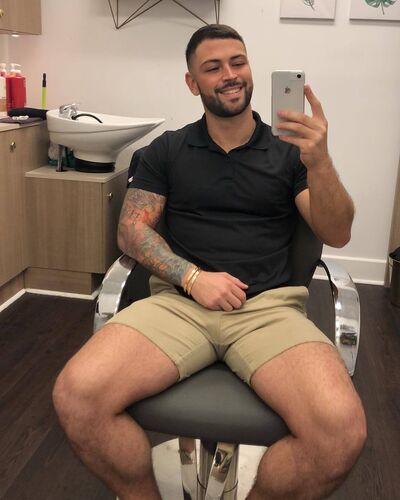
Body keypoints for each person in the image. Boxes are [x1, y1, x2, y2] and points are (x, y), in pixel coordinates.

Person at [53, 24, 367, 500]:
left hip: (268, 310)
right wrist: (192, 277)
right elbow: (131, 230)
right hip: (179, 305)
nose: (230, 75)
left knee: (340, 433)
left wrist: (320, 162)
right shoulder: (168, 150)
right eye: (213, 67)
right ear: (192, 82)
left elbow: (337, 232)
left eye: (238, 62)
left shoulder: (290, 153)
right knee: (77, 397)